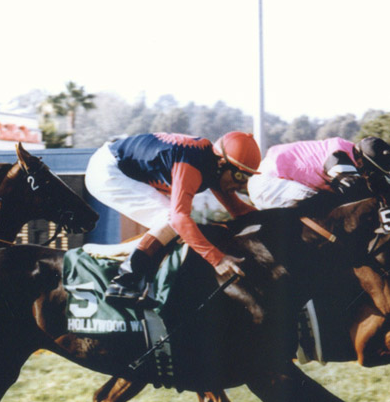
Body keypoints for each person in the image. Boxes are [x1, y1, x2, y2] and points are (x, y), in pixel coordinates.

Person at [84, 130, 260, 304]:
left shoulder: (214, 165)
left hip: (118, 164)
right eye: (239, 176)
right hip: (107, 170)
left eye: (246, 178)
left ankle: (133, 264)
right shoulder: (193, 163)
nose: (241, 185)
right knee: (172, 221)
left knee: (178, 225)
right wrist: (218, 259)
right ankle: (124, 282)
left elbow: (239, 211)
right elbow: (179, 219)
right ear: (222, 163)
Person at [247, 136, 390, 209]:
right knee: (328, 207)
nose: (370, 175)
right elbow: (355, 191)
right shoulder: (339, 157)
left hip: (275, 179)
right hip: (268, 184)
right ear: (361, 161)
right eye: (372, 171)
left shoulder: (349, 151)